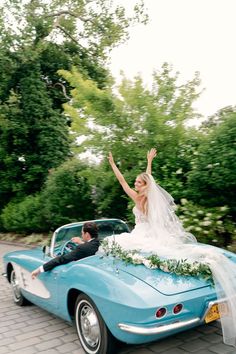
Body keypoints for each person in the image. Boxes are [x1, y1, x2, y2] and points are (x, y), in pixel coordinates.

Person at [105, 148, 236, 348]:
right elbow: (142, 179)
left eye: (138, 182)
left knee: (119, 245)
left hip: (142, 233)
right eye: (136, 182)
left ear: (144, 185)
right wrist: (147, 161)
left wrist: (114, 164)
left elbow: (123, 181)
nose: (134, 183)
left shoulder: (138, 197)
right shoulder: (147, 196)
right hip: (149, 232)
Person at [31, 222, 100, 279]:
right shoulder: (99, 243)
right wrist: (81, 242)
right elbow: (89, 247)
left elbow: (62, 259)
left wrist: (39, 270)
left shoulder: (81, 248)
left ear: (87, 234)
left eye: (82, 233)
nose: (81, 235)